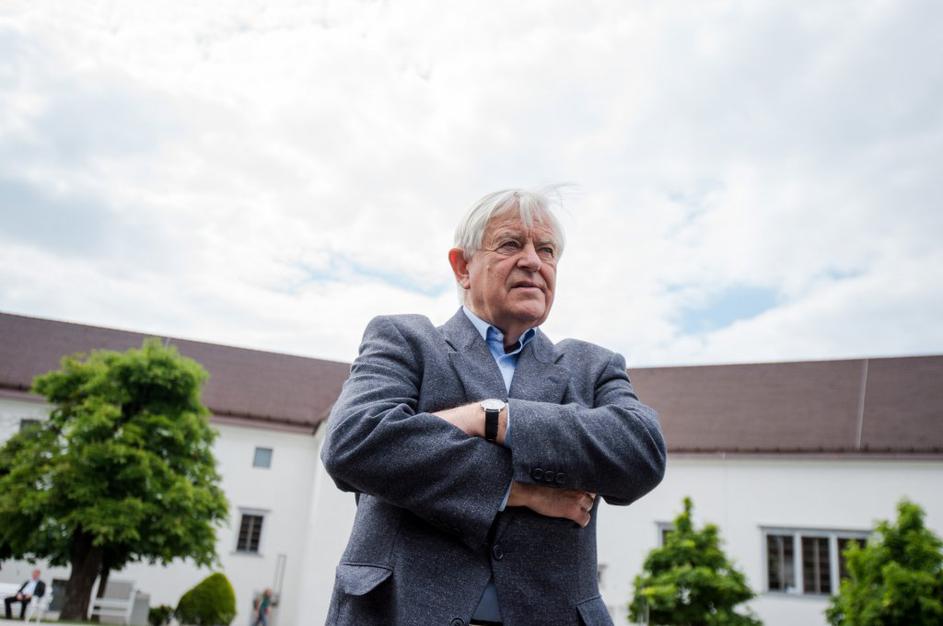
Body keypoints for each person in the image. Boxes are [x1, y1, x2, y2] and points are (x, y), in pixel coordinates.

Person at [321, 188, 667, 626]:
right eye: (510, 244)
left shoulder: (593, 367)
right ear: (462, 267)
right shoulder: (405, 341)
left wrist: (493, 418)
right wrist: (522, 491)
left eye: (546, 250)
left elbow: (641, 453)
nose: (533, 261)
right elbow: (356, 443)